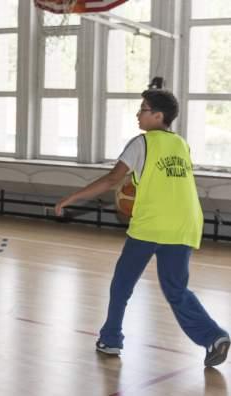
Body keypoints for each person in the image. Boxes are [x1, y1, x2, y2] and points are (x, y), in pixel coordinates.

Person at [55, 89, 230, 367]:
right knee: (176, 290)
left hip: (152, 224)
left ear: (158, 116)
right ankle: (214, 336)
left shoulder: (141, 143)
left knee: (122, 283)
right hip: (185, 224)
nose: (138, 114)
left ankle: (111, 339)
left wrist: (71, 198)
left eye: (144, 109)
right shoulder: (182, 144)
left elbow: (112, 180)